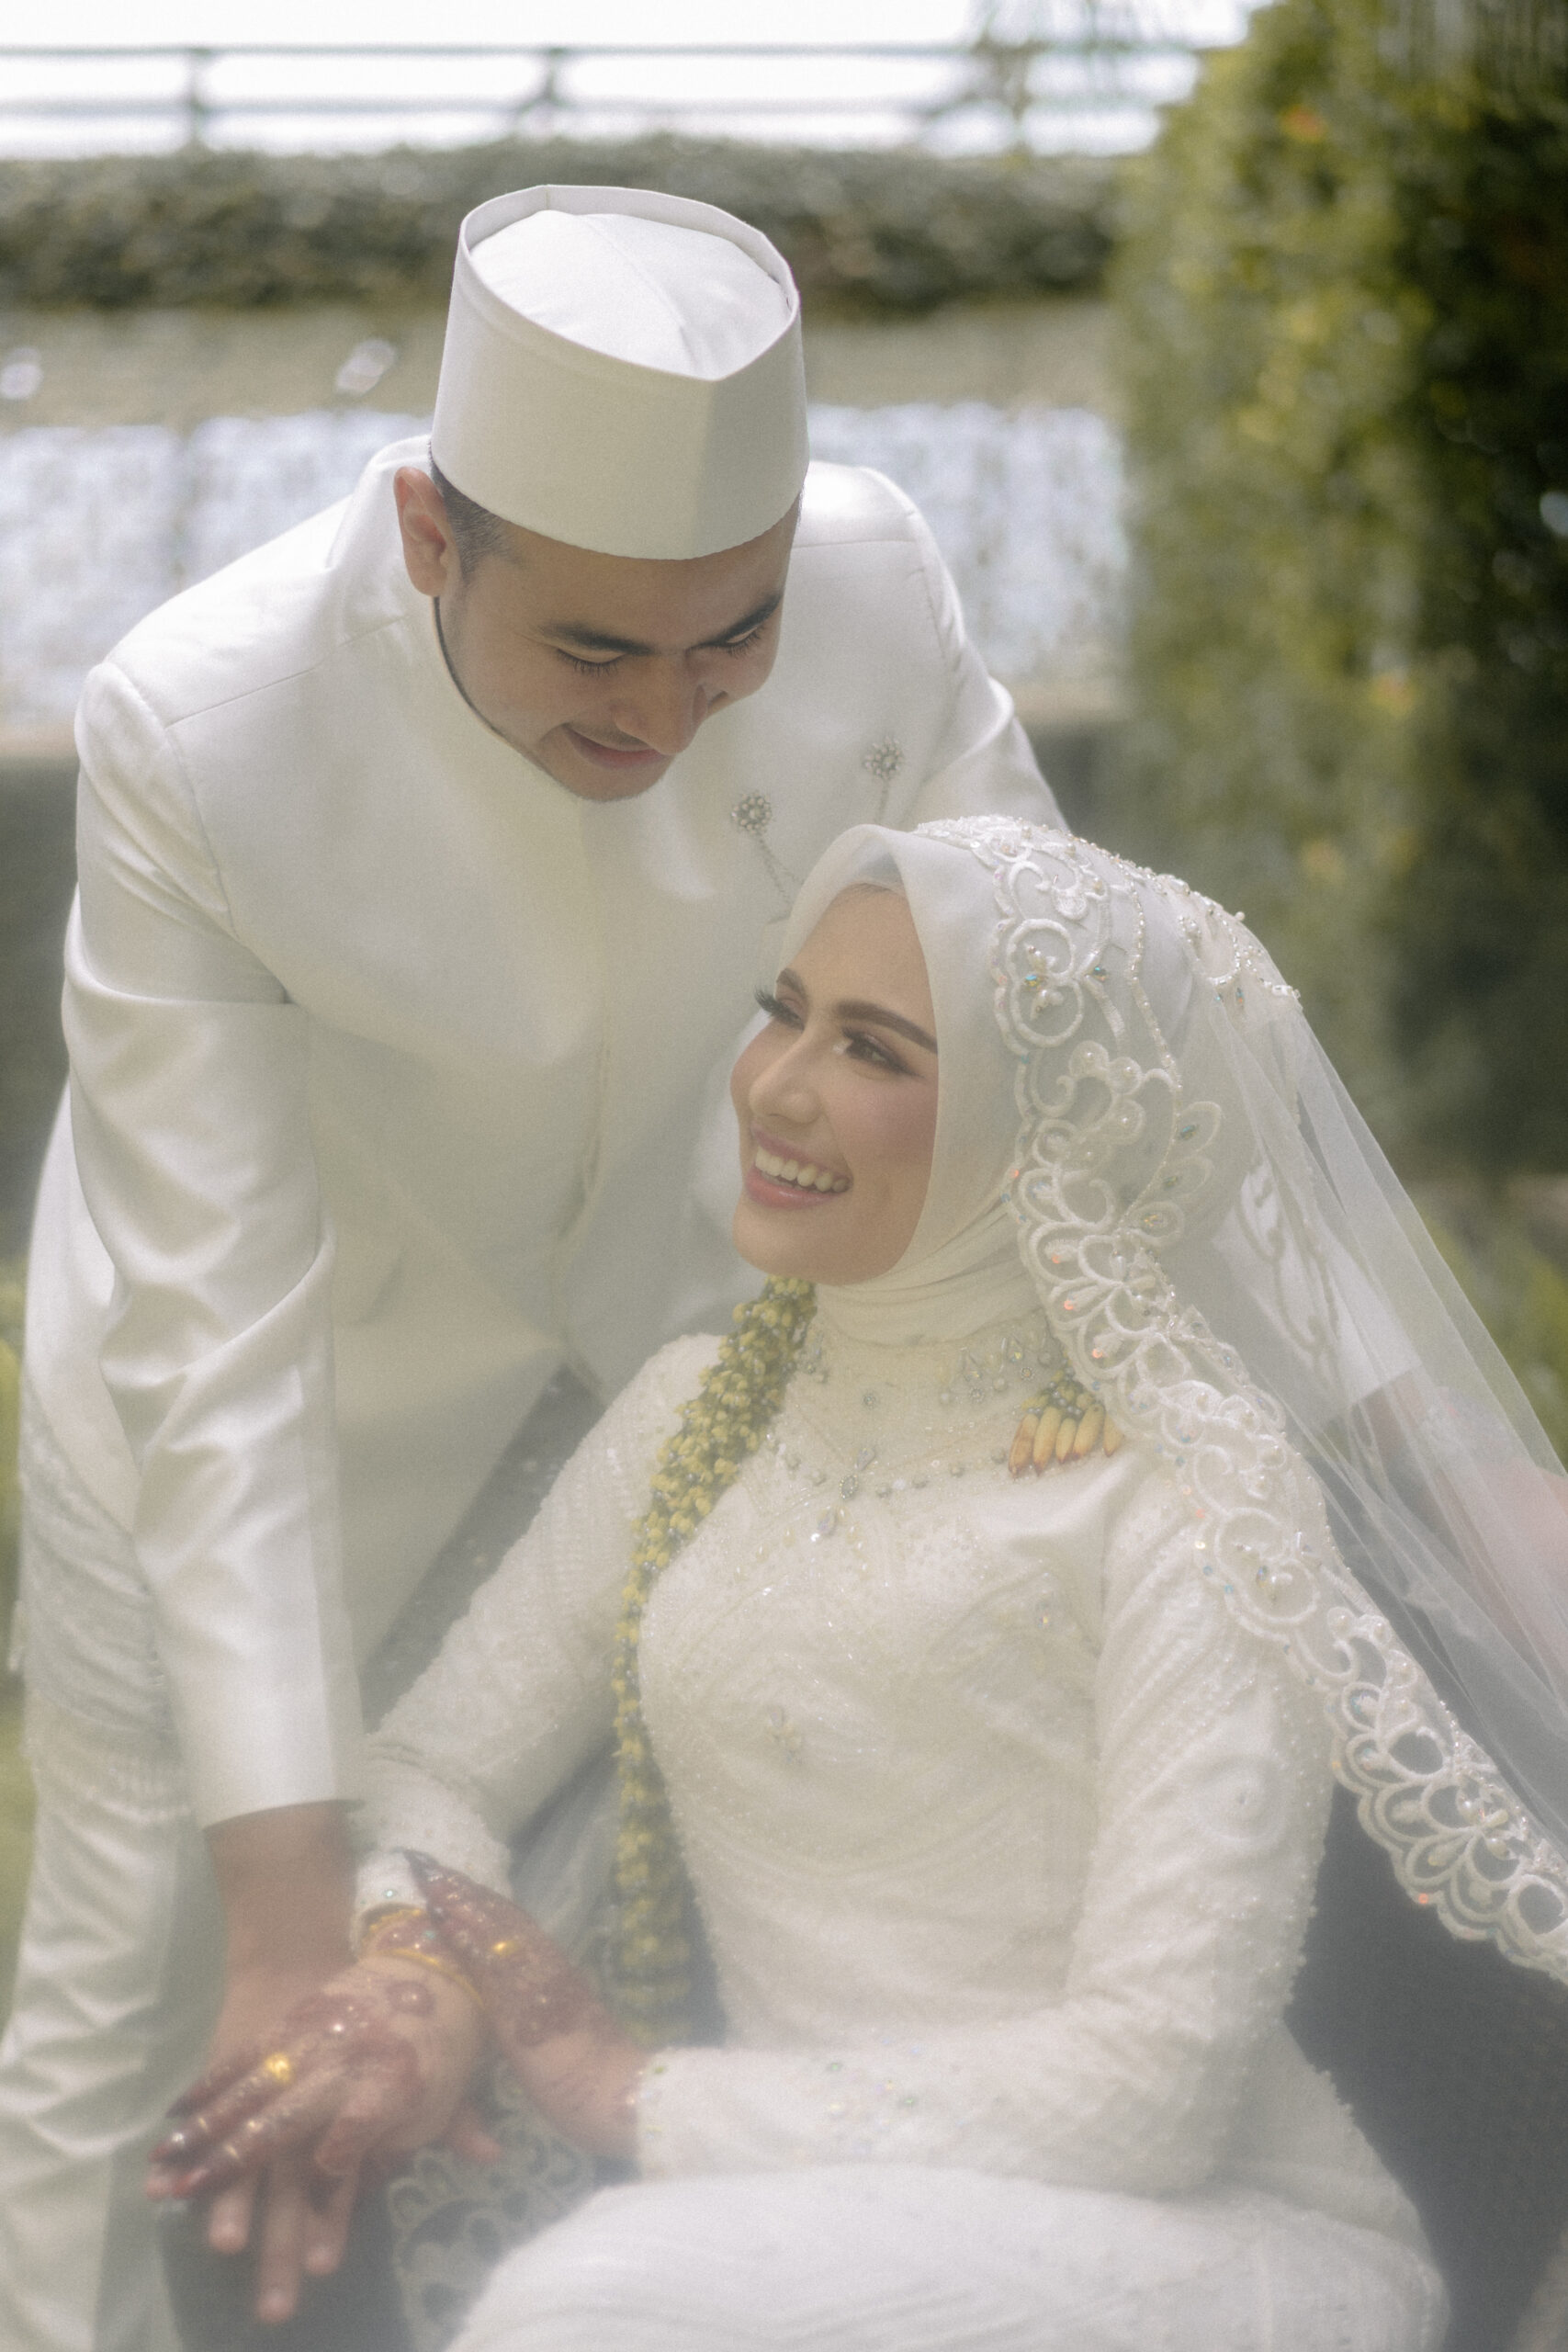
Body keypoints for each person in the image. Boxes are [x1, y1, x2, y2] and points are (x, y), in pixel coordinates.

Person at [0, 187, 1064, 2352]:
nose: (669, 707)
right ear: (428, 534)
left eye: (730, 637)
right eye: (594, 650)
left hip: (651, 1384)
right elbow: (220, 1340)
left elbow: (1060, 1013)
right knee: (144, 2019)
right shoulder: (194, 722)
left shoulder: (880, 586)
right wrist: (278, 1905)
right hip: (252, 1413)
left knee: (631, 1953)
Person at [153, 815, 1568, 2346]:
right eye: (785, 1012)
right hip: (792, 2203)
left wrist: (636, 2096)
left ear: (1045, 1132)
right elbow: (435, 1766)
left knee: (597, 2302)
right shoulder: (693, 1423)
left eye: (876, 1050)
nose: (776, 1085)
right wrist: (420, 1971)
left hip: (1212, 2231)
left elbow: (1152, 2089)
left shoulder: (1183, 1492)